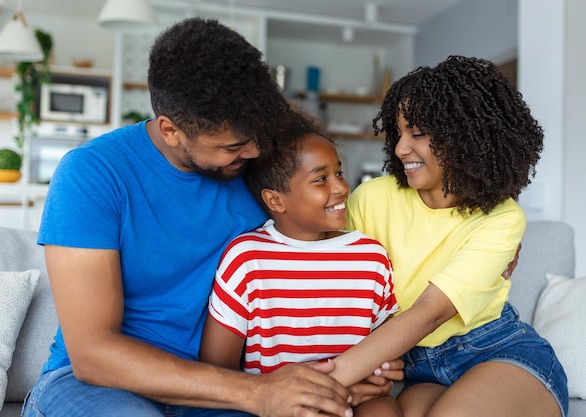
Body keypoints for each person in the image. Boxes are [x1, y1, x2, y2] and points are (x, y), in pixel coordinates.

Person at [23, 17, 400, 417]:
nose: (254, 153)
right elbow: (93, 354)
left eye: (258, 136)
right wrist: (257, 393)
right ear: (170, 130)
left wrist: (348, 376)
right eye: (233, 146)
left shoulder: (255, 173)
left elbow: (315, 273)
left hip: (219, 386)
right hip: (97, 385)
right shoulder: (92, 174)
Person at [325, 56, 569, 417]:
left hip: (497, 350)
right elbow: (340, 292)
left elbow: (430, 312)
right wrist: (370, 364)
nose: (399, 148)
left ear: (465, 136)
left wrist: (330, 377)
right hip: (420, 368)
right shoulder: (371, 198)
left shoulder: (502, 217)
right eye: (399, 132)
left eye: (418, 134)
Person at [199, 112, 403, 417]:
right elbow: (217, 366)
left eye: (339, 173)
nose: (341, 188)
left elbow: (385, 349)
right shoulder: (247, 258)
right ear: (276, 200)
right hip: (275, 406)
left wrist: (385, 370)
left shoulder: (371, 256)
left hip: (356, 398)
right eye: (321, 179)